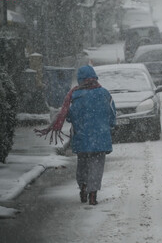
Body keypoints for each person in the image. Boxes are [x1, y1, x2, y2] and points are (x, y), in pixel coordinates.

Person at [36, 65, 116, 205]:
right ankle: (93, 193)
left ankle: (83, 186)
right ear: (94, 77)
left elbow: (69, 116)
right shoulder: (105, 93)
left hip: (81, 136)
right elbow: (112, 114)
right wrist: (109, 125)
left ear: (80, 79)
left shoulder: (74, 95)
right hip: (100, 137)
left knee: (83, 164)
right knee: (96, 165)